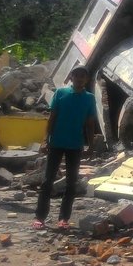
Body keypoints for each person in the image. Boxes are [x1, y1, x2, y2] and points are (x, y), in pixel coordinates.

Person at [33, 65, 96, 230]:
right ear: (71, 77)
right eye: (77, 75)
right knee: (47, 181)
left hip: (75, 145)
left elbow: (90, 123)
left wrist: (91, 145)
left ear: (87, 80)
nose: (80, 79)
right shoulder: (60, 93)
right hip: (56, 143)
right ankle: (40, 217)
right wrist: (45, 140)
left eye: (83, 76)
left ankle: (64, 219)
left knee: (71, 184)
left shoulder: (89, 98)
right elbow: (51, 118)